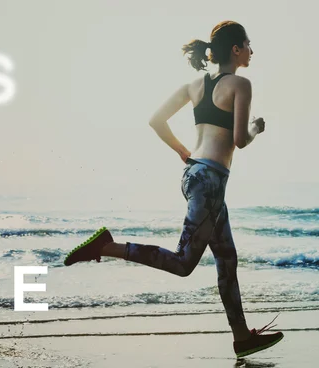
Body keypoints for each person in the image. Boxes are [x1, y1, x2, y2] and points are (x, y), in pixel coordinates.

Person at [63, 20, 284, 358]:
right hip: (210, 181)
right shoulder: (241, 84)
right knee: (184, 263)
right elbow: (239, 140)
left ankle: (242, 337)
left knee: (227, 257)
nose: (252, 51)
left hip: (197, 175)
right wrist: (255, 128)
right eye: (249, 44)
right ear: (236, 49)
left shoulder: (194, 85)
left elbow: (156, 120)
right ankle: (107, 247)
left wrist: (183, 152)